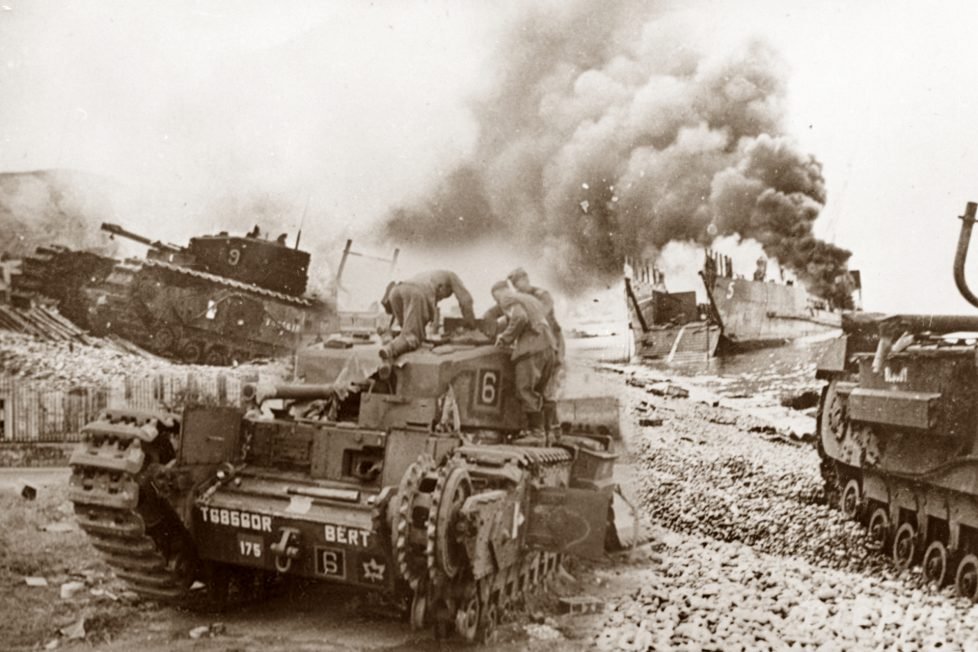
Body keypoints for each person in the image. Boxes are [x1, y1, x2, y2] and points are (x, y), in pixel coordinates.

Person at [488, 280, 556, 443]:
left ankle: (536, 434)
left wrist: (504, 338)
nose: (498, 303)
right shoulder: (528, 299)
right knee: (541, 391)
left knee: (524, 389)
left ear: (499, 293)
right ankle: (549, 433)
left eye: (496, 299)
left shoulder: (507, 299)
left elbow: (520, 317)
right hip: (549, 347)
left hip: (531, 348)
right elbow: (525, 317)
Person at [378, 270, 476, 375]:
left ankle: (386, 359)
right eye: (443, 295)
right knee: (412, 337)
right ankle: (389, 349)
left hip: (396, 291)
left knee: (405, 338)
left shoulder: (428, 276)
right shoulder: (451, 276)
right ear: (441, 287)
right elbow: (466, 300)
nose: (441, 298)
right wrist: (471, 324)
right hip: (415, 293)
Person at [507, 267, 564, 426]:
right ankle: (548, 429)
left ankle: (549, 429)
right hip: (542, 343)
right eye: (514, 285)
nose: (517, 287)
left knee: (547, 389)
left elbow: (538, 316)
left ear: (526, 279)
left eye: (518, 282)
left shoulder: (541, 295)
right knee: (541, 389)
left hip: (551, 342)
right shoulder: (524, 298)